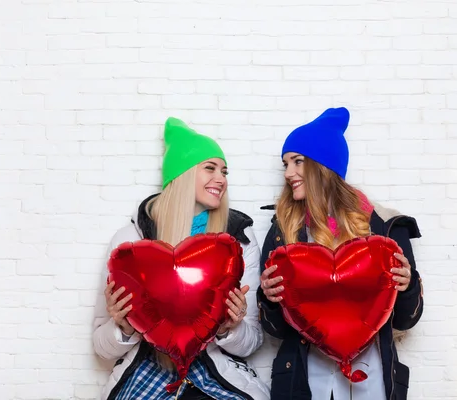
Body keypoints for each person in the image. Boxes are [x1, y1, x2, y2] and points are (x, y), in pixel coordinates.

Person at [93, 117, 270, 400]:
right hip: (147, 371)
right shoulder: (130, 243)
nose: (221, 179)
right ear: (183, 174)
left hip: (213, 373)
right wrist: (122, 326)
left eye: (224, 171)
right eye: (209, 168)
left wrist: (230, 328)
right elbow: (101, 347)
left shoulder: (238, 240)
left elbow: (252, 343)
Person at [257, 107, 424, 400]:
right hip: (303, 382)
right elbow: (277, 330)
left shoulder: (386, 228)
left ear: (323, 165)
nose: (288, 174)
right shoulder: (283, 232)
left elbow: (405, 321)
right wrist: (269, 300)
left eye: (297, 162)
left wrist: (408, 285)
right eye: (286, 164)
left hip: (371, 383)